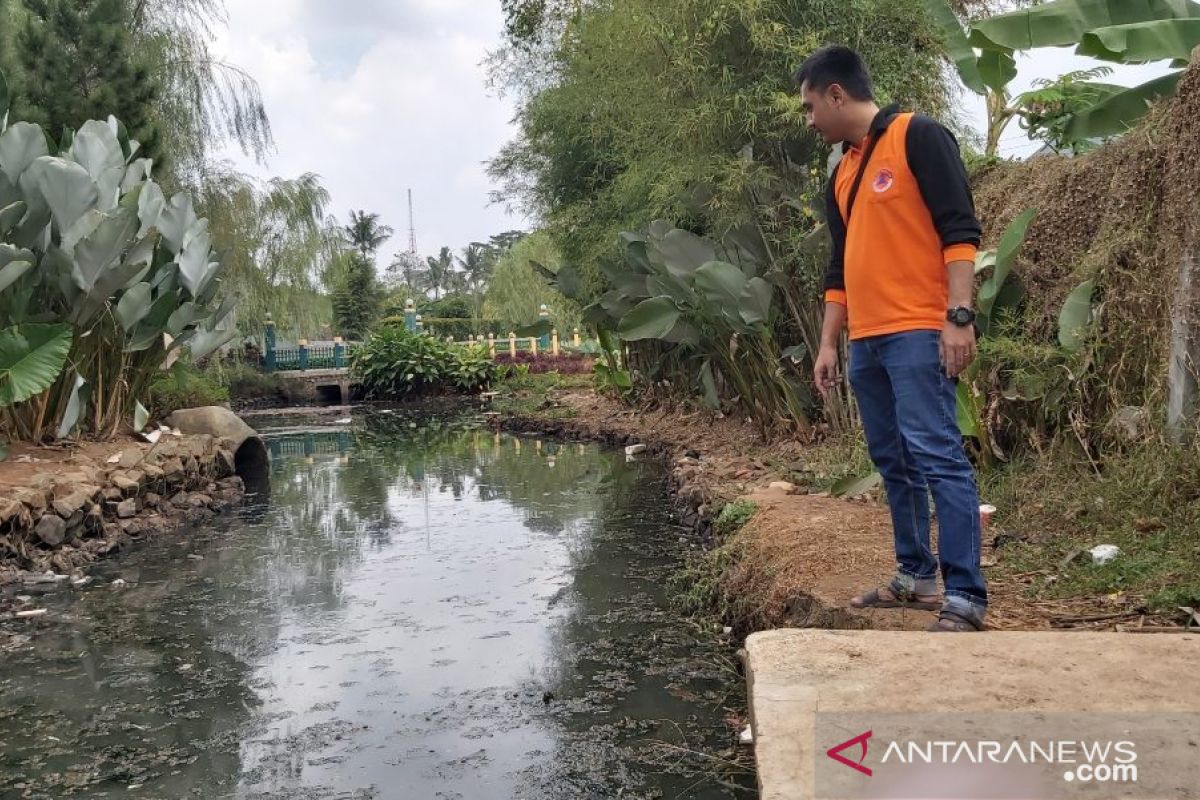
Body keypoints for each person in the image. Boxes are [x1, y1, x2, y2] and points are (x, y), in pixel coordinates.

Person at [795, 45, 988, 632]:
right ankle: (916, 574)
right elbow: (839, 269)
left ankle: (966, 596)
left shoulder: (918, 136)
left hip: (916, 330)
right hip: (867, 342)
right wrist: (830, 344)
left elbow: (960, 229)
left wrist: (958, 317)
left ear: (836, 95)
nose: (808, 120)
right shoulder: (843, 172)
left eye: (809, 106)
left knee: (938, 455)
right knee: (891, 458)